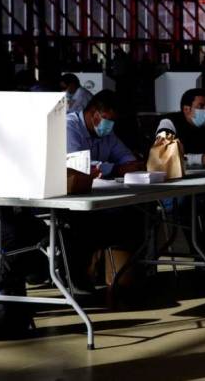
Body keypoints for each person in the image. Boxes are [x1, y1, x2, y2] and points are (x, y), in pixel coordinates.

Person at [65, 89, 145, 292]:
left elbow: (126, 157)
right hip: (69, 198)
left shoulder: (107, 133)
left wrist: (129, 164)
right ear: (93, 113)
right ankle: (78, 277)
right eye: (107, 119)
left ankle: (121, 274)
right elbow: (76, 165)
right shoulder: (68, 127)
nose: (110, 125)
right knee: (85, 222)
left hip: (98, 194)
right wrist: (115, 168)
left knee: (135, 214)